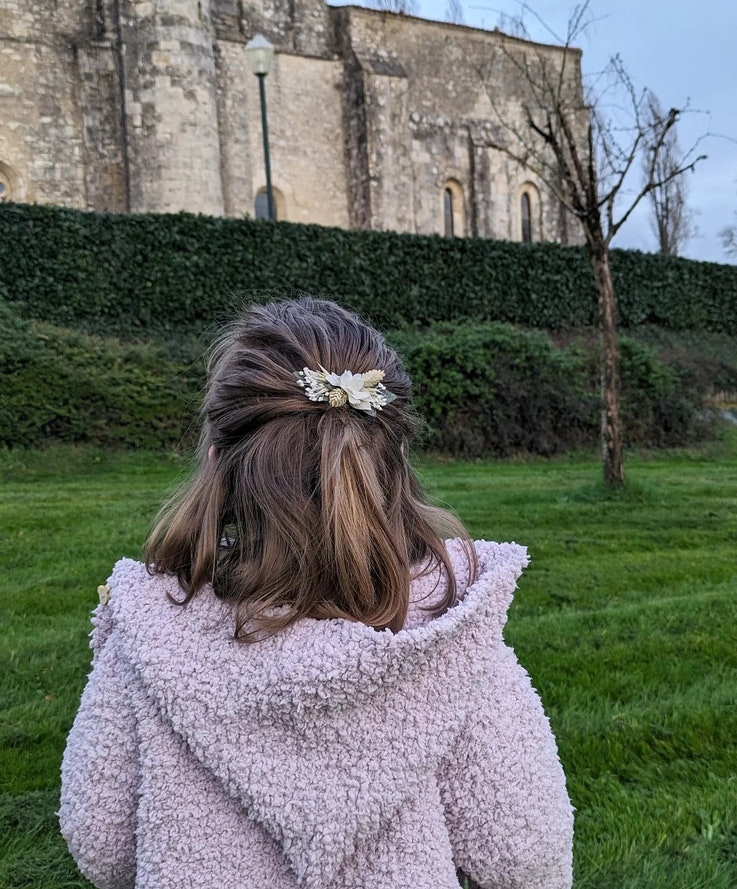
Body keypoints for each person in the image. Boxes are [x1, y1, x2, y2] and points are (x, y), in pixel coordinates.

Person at [60, 297, 573, 889]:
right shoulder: (451, 641)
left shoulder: (149, 635)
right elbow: (526, 856)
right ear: (396, 463)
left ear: (215, 461)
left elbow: (98, 835)